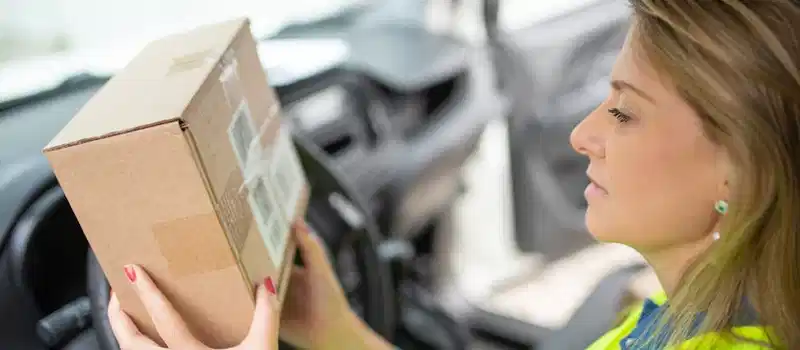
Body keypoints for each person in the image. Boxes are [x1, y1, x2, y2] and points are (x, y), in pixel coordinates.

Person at [107, 1, 800, 349]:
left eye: (623, 112)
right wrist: (339, 333)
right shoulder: (681, 319)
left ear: (741, 171)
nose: (582, 134)